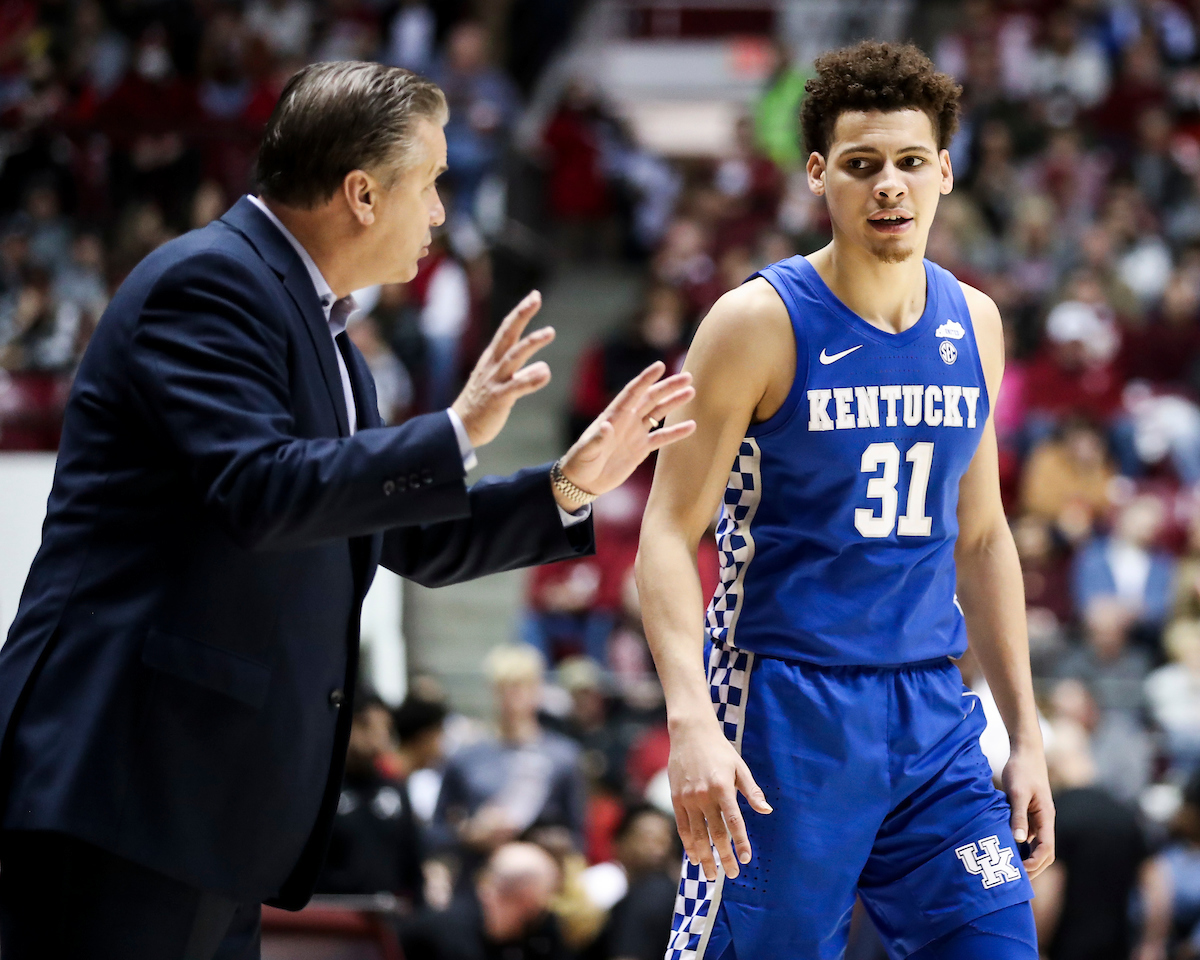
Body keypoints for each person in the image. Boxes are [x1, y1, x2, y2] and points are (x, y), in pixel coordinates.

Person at [0, 62, 697, 960]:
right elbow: (261, 489)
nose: (442, 212)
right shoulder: (208, 285)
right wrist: (452, 430)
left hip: (202, 805)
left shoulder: (328, 340)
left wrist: (567, 484)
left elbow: (408, 532)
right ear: (362, 193)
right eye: (433, 182)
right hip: (124, 785)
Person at [636, 42, 1052, 960]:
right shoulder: (757, 321)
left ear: (947, 169)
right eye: (863, 166)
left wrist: (1024, 732)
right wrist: (691, 721)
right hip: (785, 706)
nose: (890, 187)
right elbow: (665, 535)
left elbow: (981, 539)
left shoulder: (974, 320)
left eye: (910, 163)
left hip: (932, 708)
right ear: (819, 174)